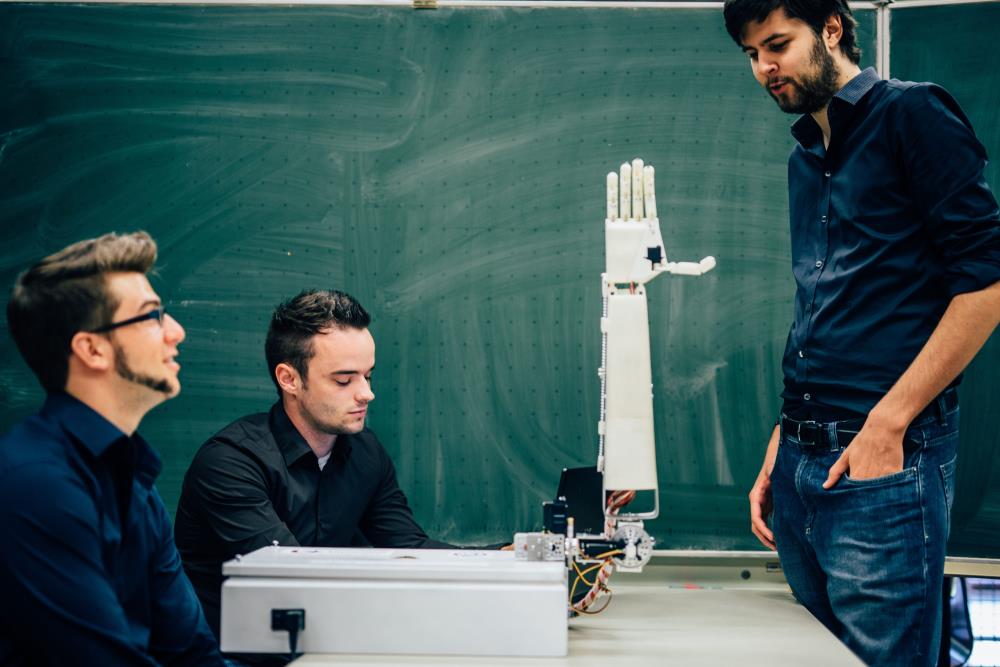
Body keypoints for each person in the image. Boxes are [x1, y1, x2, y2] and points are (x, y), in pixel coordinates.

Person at [722, 1, 1000, 664]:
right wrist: (785, 432)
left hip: (881, 463)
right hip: (799, 463)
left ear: (832, 28)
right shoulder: (805, 159)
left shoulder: (912, 114)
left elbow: (988, 281)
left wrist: (888, 424)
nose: (764, 68)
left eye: (777, 45)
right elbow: (825, 306)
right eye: (752, 54)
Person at [174, 289, 455, 645]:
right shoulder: (230, 463)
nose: (366, 393)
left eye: (368, 375)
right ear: (289, 379)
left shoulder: (365, 452)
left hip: (321, 640)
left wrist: (505, 556)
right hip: (232, 654)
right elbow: (289, 577)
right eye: (344, 380)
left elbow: (409, 547)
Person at [0, 232, 224, 666]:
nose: (176, 332)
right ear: (92, 349)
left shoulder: (134, 480)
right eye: (152, 316)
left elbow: (191, 652)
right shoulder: (34, 483)